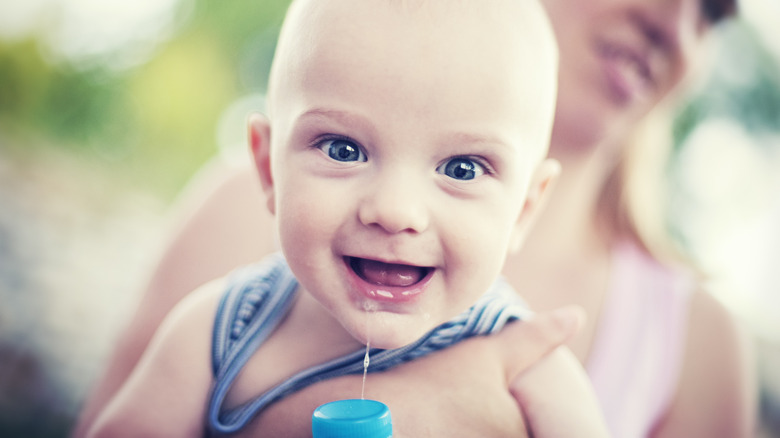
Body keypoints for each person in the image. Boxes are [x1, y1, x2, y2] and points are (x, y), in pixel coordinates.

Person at [74, 0, 758, 436]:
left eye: (462, 169)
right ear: (268, 169)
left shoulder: (535, 371)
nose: (396, 212)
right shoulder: (218, 329)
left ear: (524, 206)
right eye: (343, 149)